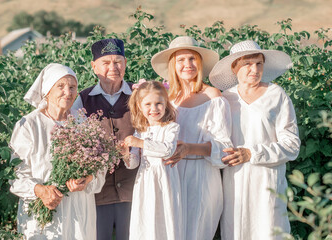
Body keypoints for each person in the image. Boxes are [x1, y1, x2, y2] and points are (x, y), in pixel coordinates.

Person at [209, 40, 301, 240]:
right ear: (234, 68)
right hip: (234, 184)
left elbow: (292, 145)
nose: (255, 69)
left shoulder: (277, 95)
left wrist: (252, 153)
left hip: (268, 181)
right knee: (236, 232)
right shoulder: (225, 98)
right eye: (248, 64)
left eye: (259, 63)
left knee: (269, 232)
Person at [9, 63, 106, 239]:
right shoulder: (29, 125)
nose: (68, 92)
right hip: (43, 210)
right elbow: (15, 175)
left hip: (79, 209)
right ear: (47, 91)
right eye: (60, 86)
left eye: (72, 87)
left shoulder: (83, 123)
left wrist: (88, 178)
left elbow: (100, 166)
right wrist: (40, 190)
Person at [151, 36, 233, 239]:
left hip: (201, 177)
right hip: (170, 175)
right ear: (173, 65)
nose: (187, 65)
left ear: (200, 63)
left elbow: (224, 147)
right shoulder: (166, 99)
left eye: (192, 59)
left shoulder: (213, 96)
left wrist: (189, 148)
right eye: (181, 60)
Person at [72, 38, 137, 240]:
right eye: (106, 63)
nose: (113, 68)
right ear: (94, 66)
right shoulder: (82, 99)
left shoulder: (139, 94)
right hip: (98, 193)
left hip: (135, 190)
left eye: (118, 61)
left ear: (125, 63)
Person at [121, 81, 182, 240]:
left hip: (164, 180)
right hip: (145, 182)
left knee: (165, 218)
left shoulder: (171, 128)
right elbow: (133, 163)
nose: (153, 109)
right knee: (146, 221)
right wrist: (125, 153)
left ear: (166, 104)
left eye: (158, 104)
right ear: (140, 106)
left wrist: (139, 143)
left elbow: (167, 150)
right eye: (148, 104)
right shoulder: (140, 131)